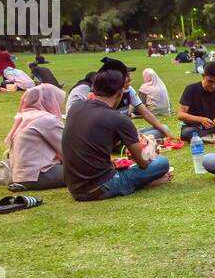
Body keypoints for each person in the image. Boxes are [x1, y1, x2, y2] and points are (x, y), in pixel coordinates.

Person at [62, 69, 172, 201]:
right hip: (101, 186)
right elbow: (143, 162)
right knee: (162, 163)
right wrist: (151, 146)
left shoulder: (76, 108)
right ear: (120, 92)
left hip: (74, 187)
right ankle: (147, 183)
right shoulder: (118, 118)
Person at [4, 84, 66, 191]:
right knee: (92, 170)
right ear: (51, 100)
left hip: (18, 177)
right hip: (38, 175)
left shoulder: (24, 117)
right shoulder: (46, 120)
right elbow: (67, 148)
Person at [177, 61, 215, 141]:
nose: (213, 86)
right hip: (193, 127)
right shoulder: (191, 89)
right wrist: (200, 119)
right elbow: (180, 115)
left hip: (212, 126)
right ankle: (212, 136)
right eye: (210, 81)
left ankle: (209, 136)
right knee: (187, 132)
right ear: (203, 76)